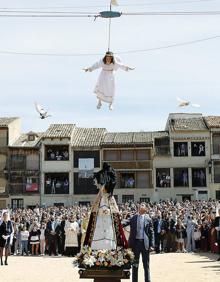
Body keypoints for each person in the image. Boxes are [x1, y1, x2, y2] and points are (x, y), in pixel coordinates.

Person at [84, 162, 127, 250]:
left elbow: (97, 183)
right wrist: (109, 190)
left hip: (103, 196)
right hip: (109, 196)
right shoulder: (111, 173)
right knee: (113, 214)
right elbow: (113, 182)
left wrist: (103, 188)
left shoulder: (100, 173)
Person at [123, 203, 155, 282]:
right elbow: (124, 222)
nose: (142, 206)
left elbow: (151, 232)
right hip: (135, 244)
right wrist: (116, 222)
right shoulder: (134, 218)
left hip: (145, 244)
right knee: (135, 265)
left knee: (146, 265)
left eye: (143, 205)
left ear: (145, 209)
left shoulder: (148, 219)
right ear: (138, 208)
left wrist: (152, 245)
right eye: (141, 205)